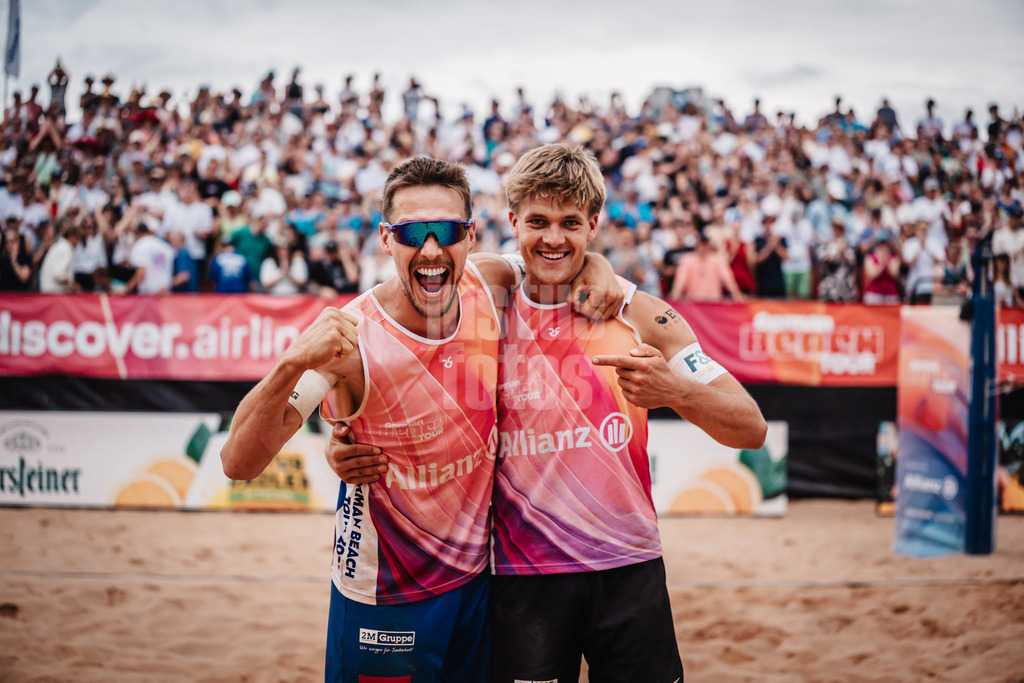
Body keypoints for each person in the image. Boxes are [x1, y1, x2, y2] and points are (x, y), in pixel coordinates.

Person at [332, 144, 766, 682]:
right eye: (537, 221)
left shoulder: (644, 317)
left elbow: (749, 425)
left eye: (570, 223)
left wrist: (674, 389)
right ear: (513, 221)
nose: (554, 238)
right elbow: (394, 321)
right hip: (524, 579)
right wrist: (346, 440)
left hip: (629, 570)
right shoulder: (483, 299)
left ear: (594, 223)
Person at [219, 155, 621, 683]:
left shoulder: (489, 282)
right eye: (413, 233)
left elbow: (553, 255)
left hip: (476, 584)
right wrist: (291, 363)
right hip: (385, 595)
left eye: (447, 231)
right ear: (387, 239)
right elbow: (239, 462)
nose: (431, 249)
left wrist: (599, 267)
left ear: (471, 236)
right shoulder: (350, 336)